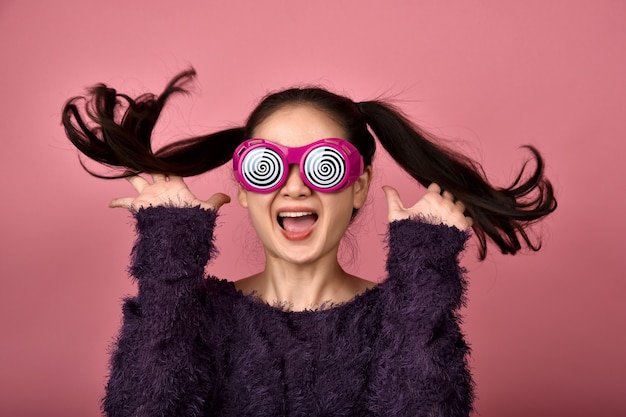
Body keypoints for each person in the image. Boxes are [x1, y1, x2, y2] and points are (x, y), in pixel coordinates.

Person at [62, 68, 556, 417]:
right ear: (243, 187)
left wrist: (424, 271)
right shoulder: (198, 313)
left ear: (358, 185)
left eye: (324, 164)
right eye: (266, 166)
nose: (295, 186)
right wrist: (168, 262)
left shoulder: (399, 318)